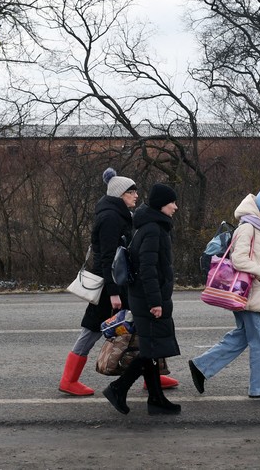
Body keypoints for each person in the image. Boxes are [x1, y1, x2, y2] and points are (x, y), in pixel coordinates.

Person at [58, 169, 179, 396]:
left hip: (121, 284)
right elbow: (108, 257)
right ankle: (68, 380)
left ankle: (151, 377)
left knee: (141, 328)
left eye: (135, 191)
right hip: (108, 287)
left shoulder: (122, 215)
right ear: (119, 194)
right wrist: (113, 292)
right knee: (92, 330)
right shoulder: (110, 218)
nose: (135, 195)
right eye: (130, 191)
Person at [188, 183, 260, 399]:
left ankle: (202, 366)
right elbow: (239, 259)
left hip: (249, 292)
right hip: (248, 293)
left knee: (243, 336)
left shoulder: (254, 226)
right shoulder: (248, 228)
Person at [103, 183, 183, 415]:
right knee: (151, 349)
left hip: (146, 297)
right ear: (161, 204)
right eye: (172, 202)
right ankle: (118, 388)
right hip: (148, 300)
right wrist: (155, 302)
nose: (176, 207)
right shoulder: (152, 230)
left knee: (152, 349)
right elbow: (147, 269)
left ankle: (156, 399)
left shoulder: (152, 226)